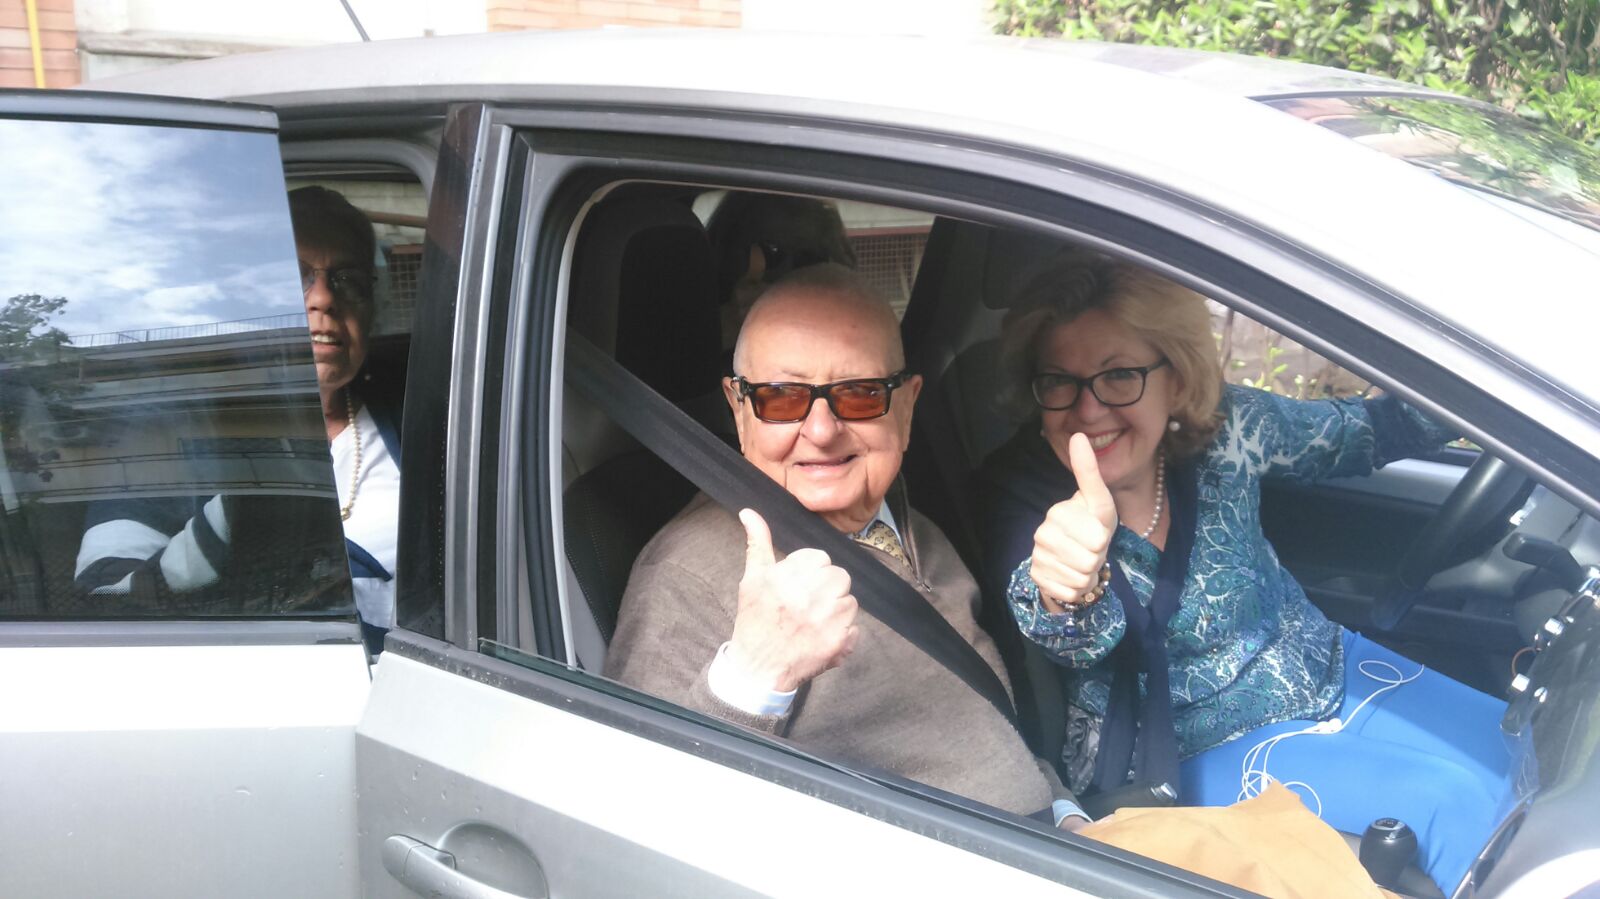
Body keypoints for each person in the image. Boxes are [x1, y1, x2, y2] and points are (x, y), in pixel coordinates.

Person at [979, 252, 1514, 893]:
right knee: (1455, 807)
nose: (1089, 409)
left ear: (1177, 378)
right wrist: (1070, 586)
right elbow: (1063, 625)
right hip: (1185, 746)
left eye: (1119, 375)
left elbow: (1372, 431)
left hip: (1331, 665)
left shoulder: (1229, 429)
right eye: (1059, 382)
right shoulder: (1025, 495)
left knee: (1523, 750)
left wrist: (1498, 381)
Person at [604, 263, 1085, 827]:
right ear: (739, 410)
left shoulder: (916, 528)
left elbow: (989, 734)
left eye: (859, 394)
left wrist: (1064, 814)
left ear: (906, 407)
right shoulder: (687, 572)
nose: (822, 429)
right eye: (781, 397)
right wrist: (755, 674)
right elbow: (640, 820)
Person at [74, 186, 402, 655]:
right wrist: (248, 517)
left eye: (347, 279)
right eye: (294, 276)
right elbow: (103, 600)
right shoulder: (165, 439)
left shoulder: (424, 422)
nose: (324, 298)